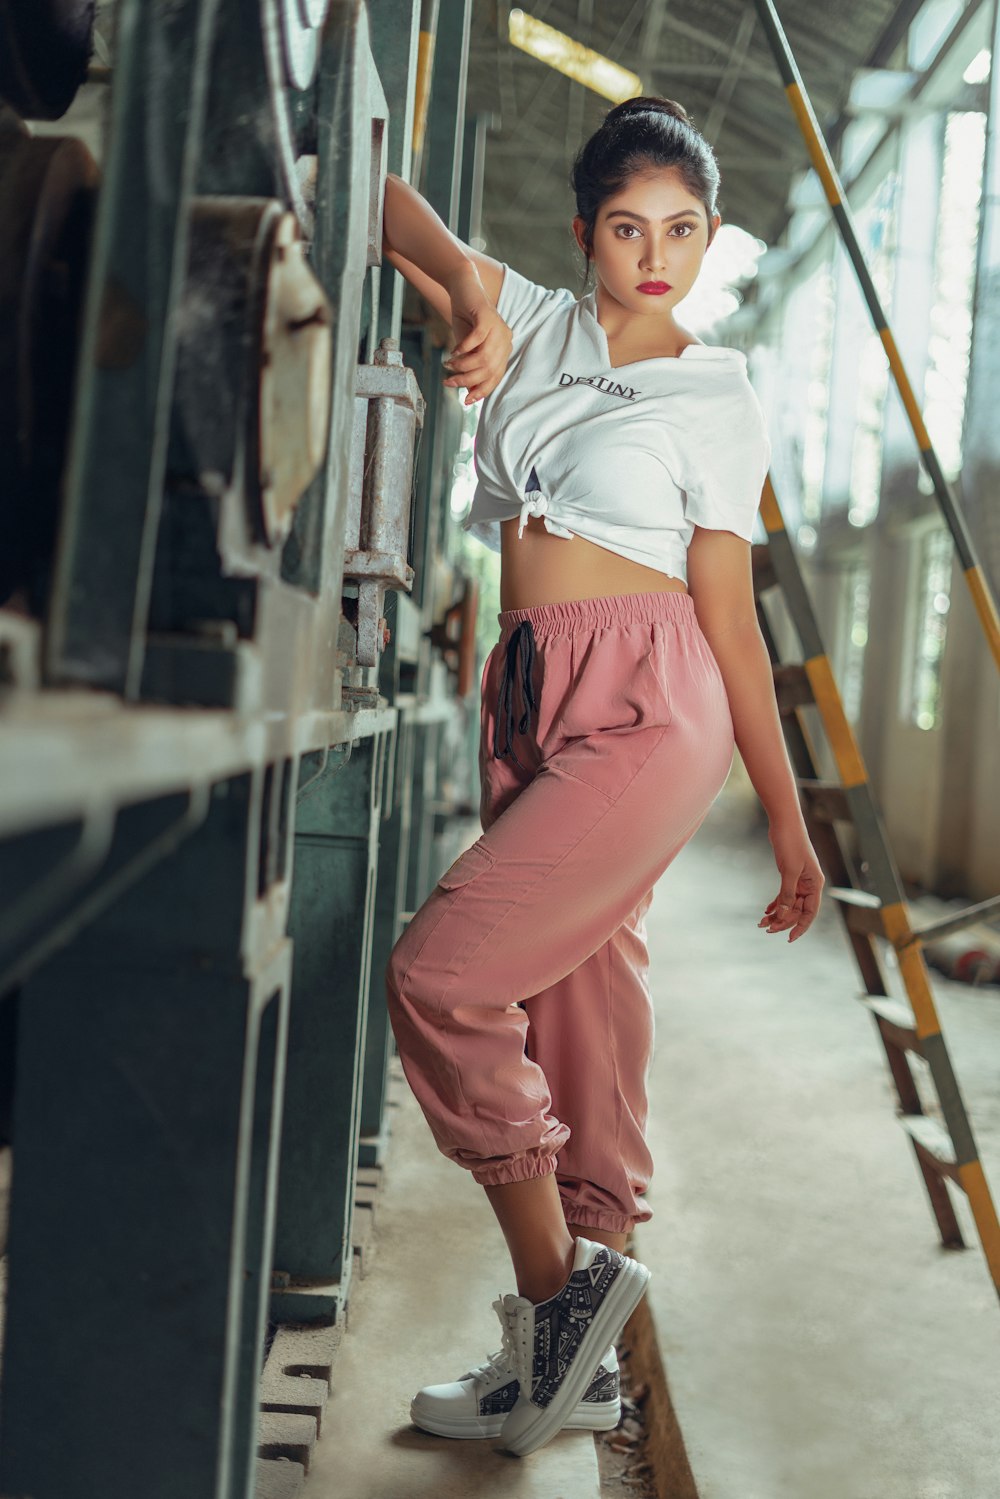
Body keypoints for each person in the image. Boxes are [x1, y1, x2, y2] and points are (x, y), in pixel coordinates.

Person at [380, 95, 825, 1458]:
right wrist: (468, 290)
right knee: (582, 1009)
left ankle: (556, 1298)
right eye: (629, 228)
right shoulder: (532, 321)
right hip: (527, 688)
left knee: (442, 975)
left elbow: (733, 624)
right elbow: (380, 192)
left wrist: (794, 824)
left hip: (651, 697)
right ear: (585, 233)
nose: (656, 257)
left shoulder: (718, 391)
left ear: (707, 244)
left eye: (684, 232)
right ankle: (574, 1376)